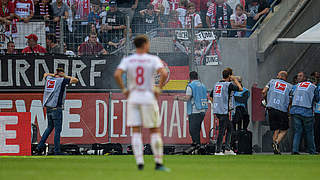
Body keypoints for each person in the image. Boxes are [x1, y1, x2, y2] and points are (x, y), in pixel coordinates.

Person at [114, 35, 169, 171]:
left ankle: (139, 162)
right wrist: (158, 88)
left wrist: (125, 90)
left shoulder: (129, 60)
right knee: (154, 130)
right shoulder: (152, 59)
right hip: (148, 96)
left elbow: (117, 74)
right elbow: (164, 73)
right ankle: (158, 163)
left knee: (136, 130)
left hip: (134, 97)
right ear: (145, 45)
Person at [35, 68, 79, 155]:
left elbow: (45, 74)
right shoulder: (62, 80)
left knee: (49, 127)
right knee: (57, 130)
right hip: (56, 108)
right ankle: (57, 151)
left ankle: (39, 147)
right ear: (62, 73)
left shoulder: (49, 78)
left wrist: (54, 75)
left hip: (48, 108)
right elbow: (76, 80)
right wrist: (64, 76)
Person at [210, 68, 243, 155]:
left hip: (218, 110)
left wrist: (216, 103)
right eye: (232, 75)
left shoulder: (217, 84)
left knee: (230, 128)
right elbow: (240, 89)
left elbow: (210, 96)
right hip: (223, 111)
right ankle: (218, 151)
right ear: (229, 76)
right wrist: (235, 80)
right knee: (222, 130)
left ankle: (227, 148)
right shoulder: (228, 85)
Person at [175, 71, 208, 152]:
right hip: (203, 110)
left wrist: (178, 98)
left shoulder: (191, 86)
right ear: (197, 77)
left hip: (194, 110)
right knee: (197, 130)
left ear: (190, 77)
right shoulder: (203, 85)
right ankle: (198, 147)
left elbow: (187, 98)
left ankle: (197, 147)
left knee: (192, 130)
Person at [262, 71, 292, 154]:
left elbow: (263, 92)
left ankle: (275, 148)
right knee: (284, 129)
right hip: (282, 109)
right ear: (285, 77)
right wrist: (289, 112)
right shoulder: (290, 87)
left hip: (271, 108)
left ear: (279, 76)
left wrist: (265, 101)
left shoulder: (271, 81)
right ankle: (276, 142)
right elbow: (290, 101)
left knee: (276, 129)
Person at [290, 79, 319, 155]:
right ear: (314, 82)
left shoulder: (297, 85)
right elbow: (317, 99)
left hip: (295, 109)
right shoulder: (313, 87)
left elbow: (291, 95)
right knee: (309, 132)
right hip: (307, 111)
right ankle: (312, 151)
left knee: (297, 132)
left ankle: (295, 150)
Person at [313, 72, 320, 152]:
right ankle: (317, 147)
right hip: (317, 111)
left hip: (317, 111)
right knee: (317, 130)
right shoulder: (316, 87)